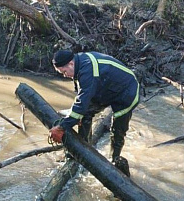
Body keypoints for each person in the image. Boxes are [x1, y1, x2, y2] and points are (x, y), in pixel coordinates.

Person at [49, 49, 140, 177]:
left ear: (70, 64)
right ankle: (84, 148)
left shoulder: (88, 70)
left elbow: (82, 102)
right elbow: (80, 97)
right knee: (84, 114)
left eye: (64, 72)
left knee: (118, 129)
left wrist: (61, 127)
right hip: (105, 88)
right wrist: (76, 116)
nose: (64, 75)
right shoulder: (79, 64)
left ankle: (114, 160)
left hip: (127, 92)